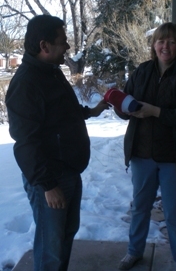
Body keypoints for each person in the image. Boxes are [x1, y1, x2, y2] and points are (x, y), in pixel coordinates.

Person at [5, 15, 109, 271]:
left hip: (68, 171)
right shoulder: (26, 84)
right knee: (51, 248)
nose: (68, 48)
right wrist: (48, 185)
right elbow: (26, 143)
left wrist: (91, 112)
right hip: (49, 178)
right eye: (63, 41)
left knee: (65, 235)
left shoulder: (50, 72)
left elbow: (62, 113)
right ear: (44, 46)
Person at [115, 22, 176, 271]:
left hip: (174, 157)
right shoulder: (142, 71)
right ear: (154, 45)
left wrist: (155, 111)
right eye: (161, 41)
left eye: (172, 42)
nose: (165, 46)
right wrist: (119, 105)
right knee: (140, 208)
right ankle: (134, 252)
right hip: (142, 154)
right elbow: (128, 105)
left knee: (175, 215)